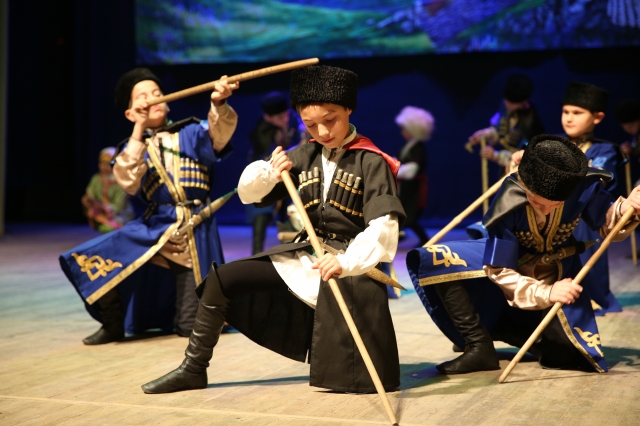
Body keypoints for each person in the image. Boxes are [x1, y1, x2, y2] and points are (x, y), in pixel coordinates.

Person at [140, 65, 406, 395]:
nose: (322, 131)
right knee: (222, 279)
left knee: (358, 379)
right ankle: (193, 368)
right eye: (310, 124)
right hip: (307, 256)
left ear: (348, 109)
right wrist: (269, 172)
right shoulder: (304, 155)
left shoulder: (372, 161)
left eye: (330, 119)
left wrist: (345, 262)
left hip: (352, 269)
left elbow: (383, 226)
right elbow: (249, 194)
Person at [408, 135, 640, 374]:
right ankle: (479, 344)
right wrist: (546, 293)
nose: (545, 210)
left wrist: (628, 208)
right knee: (438, 258)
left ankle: (514, 335)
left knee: (564, 356)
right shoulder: (509, 200)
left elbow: (608, 222)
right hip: (509, 268)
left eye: (555, 205)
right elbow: (499, 269)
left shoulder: (580, 186)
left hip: (556, 271)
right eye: (537, 203)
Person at [60, 68, 238, 344]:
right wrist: (139, 128)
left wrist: (219, 103)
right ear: (130, 113)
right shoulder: (132, 147)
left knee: (190, 326)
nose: (152, 98)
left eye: (157, 93)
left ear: (167, 102)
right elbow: (128, 180)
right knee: (91, 258)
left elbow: (220, 132)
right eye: (142, 96)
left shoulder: (192, 131)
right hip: (156, 226)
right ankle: (112, 323)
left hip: (193, 230)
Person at [560, 81, 626, 315]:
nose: (569, 118)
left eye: (577, 113)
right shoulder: (552, 143)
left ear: (597, 117)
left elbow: (599, 178)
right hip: (553, 210)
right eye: (566, 112)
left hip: (586, 212)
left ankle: (590, 296)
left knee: (585, 230)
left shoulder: (605, 150)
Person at [246, 91, 305, 254]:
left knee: (289, 219)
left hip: (287, 177)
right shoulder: (260, 132)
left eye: (286, 115)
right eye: (279, 117)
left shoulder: (292, 121)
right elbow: (271, 157)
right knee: (261, 218)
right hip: (265, 178)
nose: (285, 119)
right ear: (268, 117)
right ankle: (256, 256)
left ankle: (290, 255)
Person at [467, 74, 544, 171]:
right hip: (505, 166)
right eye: (506, 100)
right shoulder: (505, 107)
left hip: (517, 168)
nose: (507, 104)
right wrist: (486, 133)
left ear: (523, 102)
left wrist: (496, 155)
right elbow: (499, 128)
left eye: (511, 103)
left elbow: (524, 155)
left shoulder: (530, 122)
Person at [395, 106, 432, 247]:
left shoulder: (418, 147)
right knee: (402, 215)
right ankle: (397, 237)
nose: (402, 132)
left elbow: (412, 169)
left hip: (413, 188)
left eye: (405, 129)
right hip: (405, 187)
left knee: (409, 217)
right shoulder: (408, 146)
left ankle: (424, 240)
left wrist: (396, 169)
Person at [81, 147, 133, 233]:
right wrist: (89, 201)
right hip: (101, 212)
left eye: (108, 164)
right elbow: (90, 196)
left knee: (107, 227)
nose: (104, 167)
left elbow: (119, 206)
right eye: (102, 163)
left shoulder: (121, 181)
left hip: (119, 214)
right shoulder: (96, 179)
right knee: (93, 213)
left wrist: (104, 208)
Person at [615, 97, 640, 187]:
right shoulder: (636, 136)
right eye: (625, 126)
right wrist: (631, 149)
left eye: (631, 125)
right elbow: (636, 147)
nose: (629, 129)